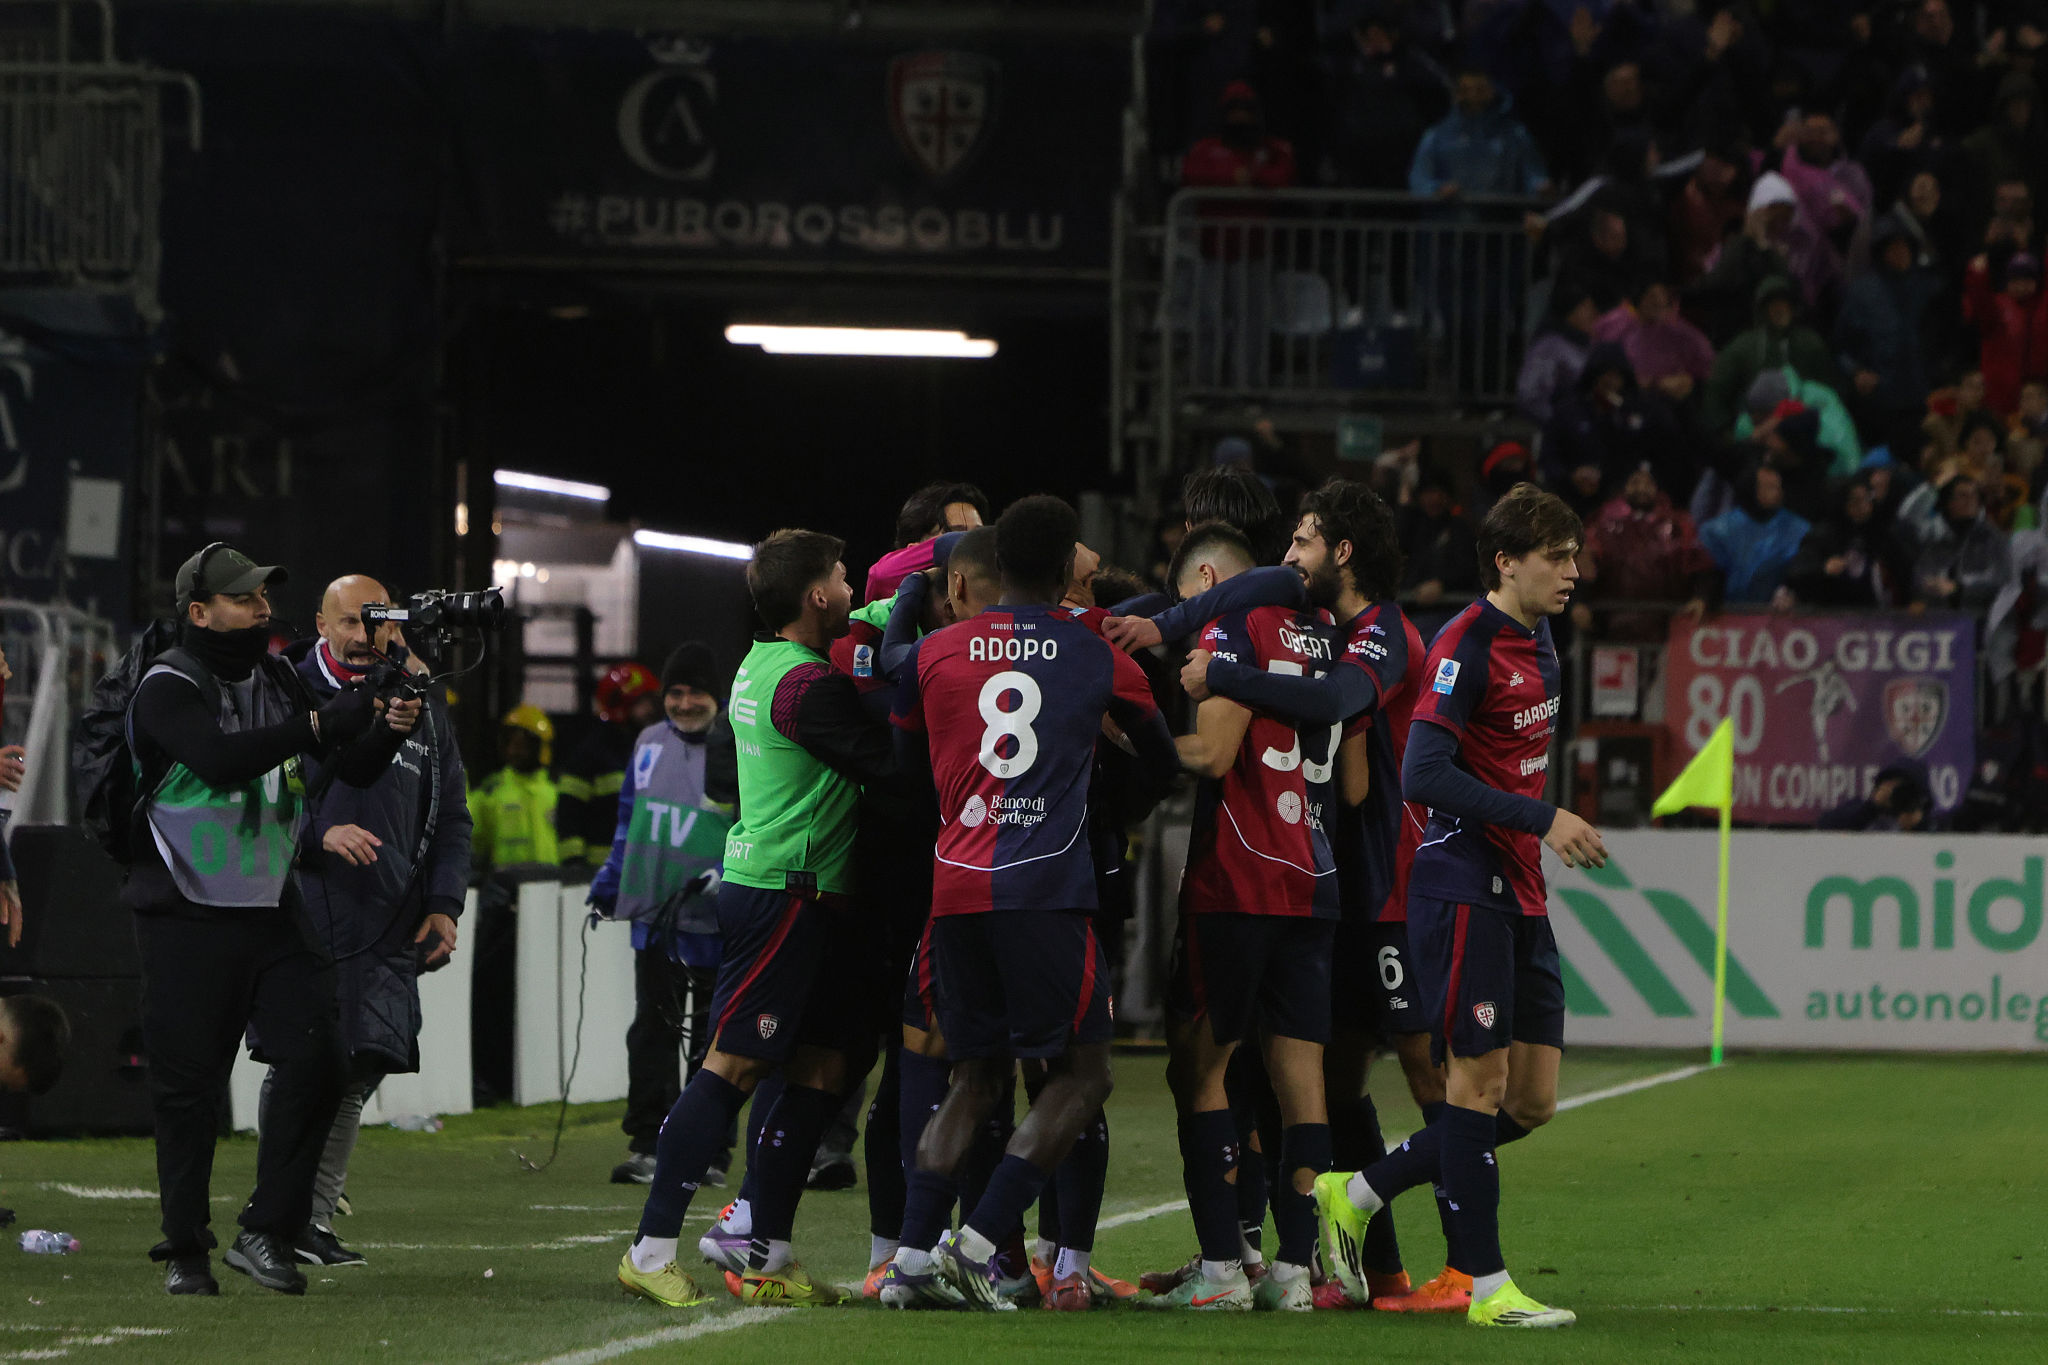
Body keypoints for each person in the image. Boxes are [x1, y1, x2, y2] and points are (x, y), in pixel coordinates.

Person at [1315, 482, 1606, 1330]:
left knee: (1530, 1101)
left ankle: (1359, 1187)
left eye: (1576, 556)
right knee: (1474, 1089)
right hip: (1459, 882)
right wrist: (1544, 817)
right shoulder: (1463, 644)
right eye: (1559, 557)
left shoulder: (1543, 636)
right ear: (1506, 560)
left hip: (1520, 887)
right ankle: (1488, 1288)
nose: (1575, 572)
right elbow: (1425, 774)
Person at [1172, 479, 1467, 1312]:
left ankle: (1470, 1258)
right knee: (1333, 1084)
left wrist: (1224, 671)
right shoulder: (1328, 632)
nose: (1287, 558)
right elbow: (1352, 764)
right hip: (1335, 881)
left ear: (1341, 552)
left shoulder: (1382, 635)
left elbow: (1350, 743)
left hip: (1392, 884)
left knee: (1423, 1072)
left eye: (1302, 542)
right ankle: (1369, 1267)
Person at [882, 495, 1177, 1311]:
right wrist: (1114, 804)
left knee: (973, 1075)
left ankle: (910, 1258)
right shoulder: (1094, 651)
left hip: (955, 887)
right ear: (1064, 572)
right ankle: (980, 1240)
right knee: (1083, 1074)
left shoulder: (935, 652)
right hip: (1046, 887)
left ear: (995, 568)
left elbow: (903, 745)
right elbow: (1158, 760)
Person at [618, 528, 898, 1310]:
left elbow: (865, 611)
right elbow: (893, 767)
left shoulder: (761, 661)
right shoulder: (808, 686)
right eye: (843, 578)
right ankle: (649, 1247)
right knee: (732, 1066)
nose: (851, 587)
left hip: (801, 889)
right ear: (816, 596)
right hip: (784, 890)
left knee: (822, 1066)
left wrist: (894, 600)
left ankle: (763, 1243)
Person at [126, 543, 417, 1297]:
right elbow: (220, 759)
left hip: (268, 903)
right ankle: (186, 1250)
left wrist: (388, 723)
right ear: (199, 612)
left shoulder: (277, 677)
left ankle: (266, 1227)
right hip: (185, 909)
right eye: (244, 600)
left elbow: (345, 772)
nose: (261, 611)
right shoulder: (166, 686)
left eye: (262, 598)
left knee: (322, 1058)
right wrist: (320, 726)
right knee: (189, 1092)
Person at [1151, 520, 1342, 1312]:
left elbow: (1212, 754)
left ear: (1206, 579)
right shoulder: (1330, 633)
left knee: (1199, 1069)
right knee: (1304, 1085)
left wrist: (1122, 729)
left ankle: (1223, 1269)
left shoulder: (1232, 626)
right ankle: (1296, 1269)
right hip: (1313, 875)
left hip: (1239, 878)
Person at [273, 574, 471, 1269]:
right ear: (321, 625)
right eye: (348, 623)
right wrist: (311, 840)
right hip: (305, 905)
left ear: (395, 626)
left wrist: (445, 902)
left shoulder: (419, 700)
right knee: (306, 1061)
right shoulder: (285, 692)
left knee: (363, 1065)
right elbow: (245, 797)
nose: (362, 636)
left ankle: (307, 1216)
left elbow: (451, 814)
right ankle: (280, 1213)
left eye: (375, 622)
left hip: (390, 914)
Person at [587, 642, 736, 1187]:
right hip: (656, 917)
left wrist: (727, 870)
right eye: (675, 692)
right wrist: (609, 880)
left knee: (713, 1041)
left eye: (695, 691)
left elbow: (758, 823)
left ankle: (710, 1151)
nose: (684, 701)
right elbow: (628, 818)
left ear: (715, 696)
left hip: (720, 922)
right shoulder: (648, 743)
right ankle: (648, 1143)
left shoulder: (739, 748)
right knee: (651, 1030)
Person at [464, 705, 559, 1105]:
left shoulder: (556, 792)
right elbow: (471, 849)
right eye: (511, 739)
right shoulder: (489, 793)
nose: (516, 747)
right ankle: (494, 1079)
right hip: (502, 911)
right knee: (496, 996)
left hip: (549, 908)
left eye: (526, 740)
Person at [1572, 463, 1718, 641]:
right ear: (1625, 486)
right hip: (1610, 628)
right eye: (1635, 482)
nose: (1642, 488)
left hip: (1666, 629)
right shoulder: (1602, 522)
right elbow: (1586, 561)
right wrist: (1579, 602)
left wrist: (1701, 596)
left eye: (1648, 483)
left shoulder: (1678, 524)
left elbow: (1699, 561)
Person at [1835, 212, 1944, 433]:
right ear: (1881, 253)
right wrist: (1856, 372)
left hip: (1925, 395)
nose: (1900, 253)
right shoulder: (1862, 294)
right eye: (1892, 248)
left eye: (1904, 247)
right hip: (1880, 401)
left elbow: (1946, 339)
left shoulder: (1930, 289)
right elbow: (1840, 346)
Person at [556, 662, 661, 867]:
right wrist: (575, 866)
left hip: (645, 874)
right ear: (621, 705)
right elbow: (568, 816)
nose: (651, 710)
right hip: (600, 875)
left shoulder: (653, 747)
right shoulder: (590, 755)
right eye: (643, 703)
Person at [1407, 67, 1550, 202]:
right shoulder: (1436, 136)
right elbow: (1420, 179)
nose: (1473, 96)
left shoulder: (1514, 135)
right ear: (1456, 94)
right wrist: (1437, 189)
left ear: (1492, 90)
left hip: (1500, 221)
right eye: (1466, 90)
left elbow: (1532, 175)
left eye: (1480, 90)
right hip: (1449, 222)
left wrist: (1540, 188)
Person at [1700, 464, 1815, 605]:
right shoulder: (1717, 530)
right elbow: (1710, 576)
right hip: (1727, 616)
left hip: (1781, 616)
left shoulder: (1799, 529)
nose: (1778, 492)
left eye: (1778, 486)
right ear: (1750, 489)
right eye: (1769, 487)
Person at [1963, 251, 2048, 416]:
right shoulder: (1999, 306)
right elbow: (1981, 305)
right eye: (2015, 280)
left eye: (2027, 280)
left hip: (2038, 399)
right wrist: (1978, 276)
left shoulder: (2043, 308)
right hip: (2001, 398)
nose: (2021, 286)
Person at [1913, 474, 2013, 612]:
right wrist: (1931, 584)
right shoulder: (1934, 536)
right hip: (1938, 614)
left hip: (1981, 614)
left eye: (1974, 495)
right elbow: (1920, 575)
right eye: (1963, 495)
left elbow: (2001, 579)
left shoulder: (1992, 537)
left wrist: (1958, 588)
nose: (1970, 500)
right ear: (1949, 502)